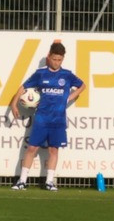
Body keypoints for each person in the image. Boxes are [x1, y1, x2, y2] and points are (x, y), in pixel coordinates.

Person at [11, 41, 83, 190]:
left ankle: (49, 182)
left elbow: (82, 85)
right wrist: (13, 104)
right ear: (48, 57)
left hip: (58, 120)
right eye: (54, 59)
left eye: (60, 60)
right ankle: (22, 181)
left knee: (53, 150)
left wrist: (70, 96)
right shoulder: (40, 74)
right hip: (41, 119)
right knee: (31, 149)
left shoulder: (67, 75)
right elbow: (23, 87)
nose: (57, 62)